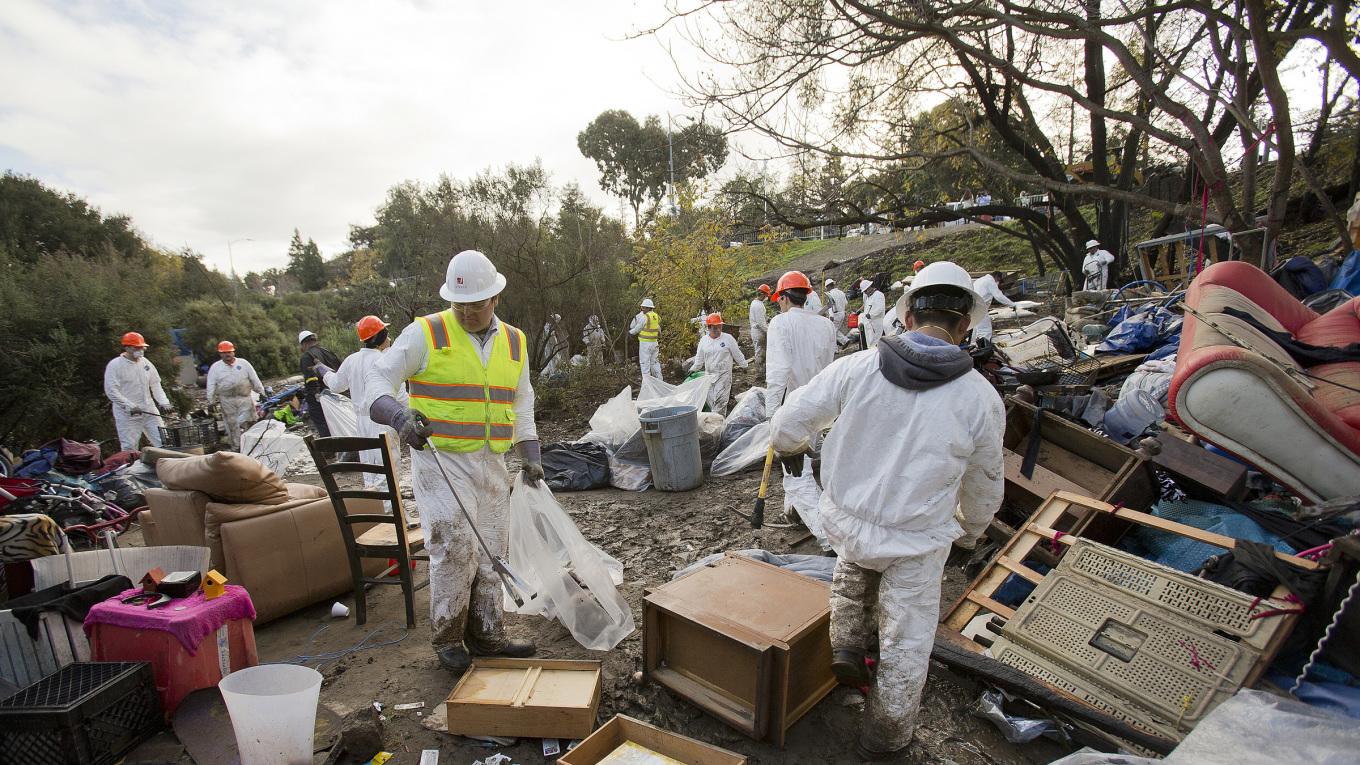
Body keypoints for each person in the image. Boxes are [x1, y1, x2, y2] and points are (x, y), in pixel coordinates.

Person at [770, 261, 1004, 760]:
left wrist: (791, 448)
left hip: (847, 521)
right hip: (917, 539)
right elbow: (985, 484)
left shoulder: (856, 369)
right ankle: (885, 738)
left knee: (852, 572)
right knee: (905, 644)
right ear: (965, 325)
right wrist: (971, 533)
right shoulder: (980, 398)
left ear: (908, 317)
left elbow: (789, 421)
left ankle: (847, 646)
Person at [366, 249, 540, 674]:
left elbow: (522, 400)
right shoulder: (426, 333)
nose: (467, 313)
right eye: (460, 305)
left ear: (495, 298)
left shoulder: (515, 341)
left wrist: (530, 453)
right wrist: (398, 414)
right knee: (454, 545)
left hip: (492, 461)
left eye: (476, 305)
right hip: (441, 462)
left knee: (491, 549)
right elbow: (375, 380)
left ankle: (488, 634)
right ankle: (447, 637)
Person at [314, 316, 401, 485]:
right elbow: (401, 397)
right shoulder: (385, 361)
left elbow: (335, 385)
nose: (389, 338)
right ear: (380, 336)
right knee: (389, 470)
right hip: (383, 421)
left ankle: (378, 509)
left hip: (361, 424)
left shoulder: (351, 360)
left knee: (370, 470)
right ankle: (391, 510)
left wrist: (323, 371)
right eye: (387, 333)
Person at [765, 271, 837, 419]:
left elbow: (777, 372)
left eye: (779, 299)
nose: (778, 302)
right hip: (822, 403)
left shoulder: (780, 323)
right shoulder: (826, 325)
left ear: (784, 298)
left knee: (797, 442)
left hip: (796, 406)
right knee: (813, 440)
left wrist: (770, 415)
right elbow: (828, 364)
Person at [103, 332, 173, 451]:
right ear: (127, 347)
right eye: (137, 347)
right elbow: (111, 391)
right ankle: (131, 469)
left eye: (142, 347)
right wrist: (129, 405)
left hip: (149, 410)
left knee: (164, 441)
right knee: (129, 447)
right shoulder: (115, 365)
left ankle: (166, 466)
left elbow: (155, 384)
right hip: (128, 415)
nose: (141, 350)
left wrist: (164, 402)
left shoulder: (145, 363)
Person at [206, 341, 264, 448]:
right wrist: (210, 401)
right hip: (227, 400)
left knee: (248, 422)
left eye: (229, 352)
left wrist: (261, 392)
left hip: (245, 398)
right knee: (232, 425)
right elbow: (211, 385)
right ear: (220, 354)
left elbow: (254, 379)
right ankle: (237, 447)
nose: (227, 355)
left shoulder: (243, 364)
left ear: (233, 352)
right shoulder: (215, 368)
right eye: (224, 353)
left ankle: (251, 445)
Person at [688, 313, 748, 415]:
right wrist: (693, 369)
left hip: (724, 375)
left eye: (720, 327)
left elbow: (737, 353)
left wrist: (744, 365)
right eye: (715, 328)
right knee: (712, 402)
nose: (718, 330)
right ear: (709, 327)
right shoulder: (704, 341)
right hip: (709, 376)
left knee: (720, 402)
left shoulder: (728, 339)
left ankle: (718, 426)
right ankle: (714, 423)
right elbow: (699, 359)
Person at [299, 330, 340, 437]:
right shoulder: (327, 352)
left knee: (323, 425)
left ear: (304, 344)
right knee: (338, 422)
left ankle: (330, 449)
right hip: (337, 394)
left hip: (320, 397)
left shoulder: (307, 357)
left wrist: (315, 395)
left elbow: (310, 379)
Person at [971, 270, 1018, 343]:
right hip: (979, 307)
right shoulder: (990, 282)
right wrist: (1012, 304)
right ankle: (983, 348)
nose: (998, 283)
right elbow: (999, 296)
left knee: (975, 328)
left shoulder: (980, 280)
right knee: (985, 330)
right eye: (999, 280)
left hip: (972, 306)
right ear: (996, 277)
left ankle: (972, 345)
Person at [629, 298, 662, 381]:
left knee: (645, 364)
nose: (642, 310)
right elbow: (658, 329)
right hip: (654, 343)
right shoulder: (656, 316)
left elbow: (637, 329)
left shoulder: (645, 317)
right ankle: (659, 381)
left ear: (648, 308)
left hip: (645, 344)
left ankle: (647, 385)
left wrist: (629, 333)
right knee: (655, 363)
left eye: (643, 308)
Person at [860, 279, 886, 348]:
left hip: (877, 322)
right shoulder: (868, 297)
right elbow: (866, 310)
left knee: (876, 342)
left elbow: (880, 309)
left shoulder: (878, 295)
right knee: (870, 343)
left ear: (870, 287)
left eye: (866, 290)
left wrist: (871, 315)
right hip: (869, 324)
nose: (865, 292)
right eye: (864, 291)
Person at [749, 285, 770, 366]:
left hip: (756, 331)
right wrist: (770, 332)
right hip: (759, 332)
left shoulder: (755, 302)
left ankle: (761, 373)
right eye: (766, 295)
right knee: (760, 353)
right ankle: (759, 376)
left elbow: (761, 318)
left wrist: (767, 318)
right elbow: (761, 323)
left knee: (760, 352)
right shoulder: (758, 305)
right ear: (762, 294)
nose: (767, 297)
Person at [825, 278, 848, 343]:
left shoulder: (830, 294)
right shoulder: (841, 292)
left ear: (828, 286)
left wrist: (831, 315)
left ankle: (836, 348)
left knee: (832, 332)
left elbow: (830, 306)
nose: (826, 288)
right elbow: (846, 303)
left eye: (826, 287)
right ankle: (845, 340)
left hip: (836, 314)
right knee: (835, 330)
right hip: (842, 313)